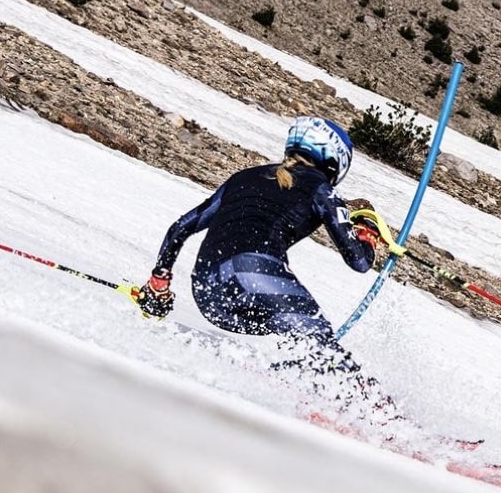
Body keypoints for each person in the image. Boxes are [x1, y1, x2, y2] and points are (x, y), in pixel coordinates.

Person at [133, 116, 397, 376]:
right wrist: (367, 234)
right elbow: (359, 261)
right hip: (253, 273)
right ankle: (360, 405)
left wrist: (158, 285)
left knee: (303, 339)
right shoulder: (321, 189)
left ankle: (295, 379)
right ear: (336, 160)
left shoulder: (242, 177)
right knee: (317, 338)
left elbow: (180, 228)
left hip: (208, 293)